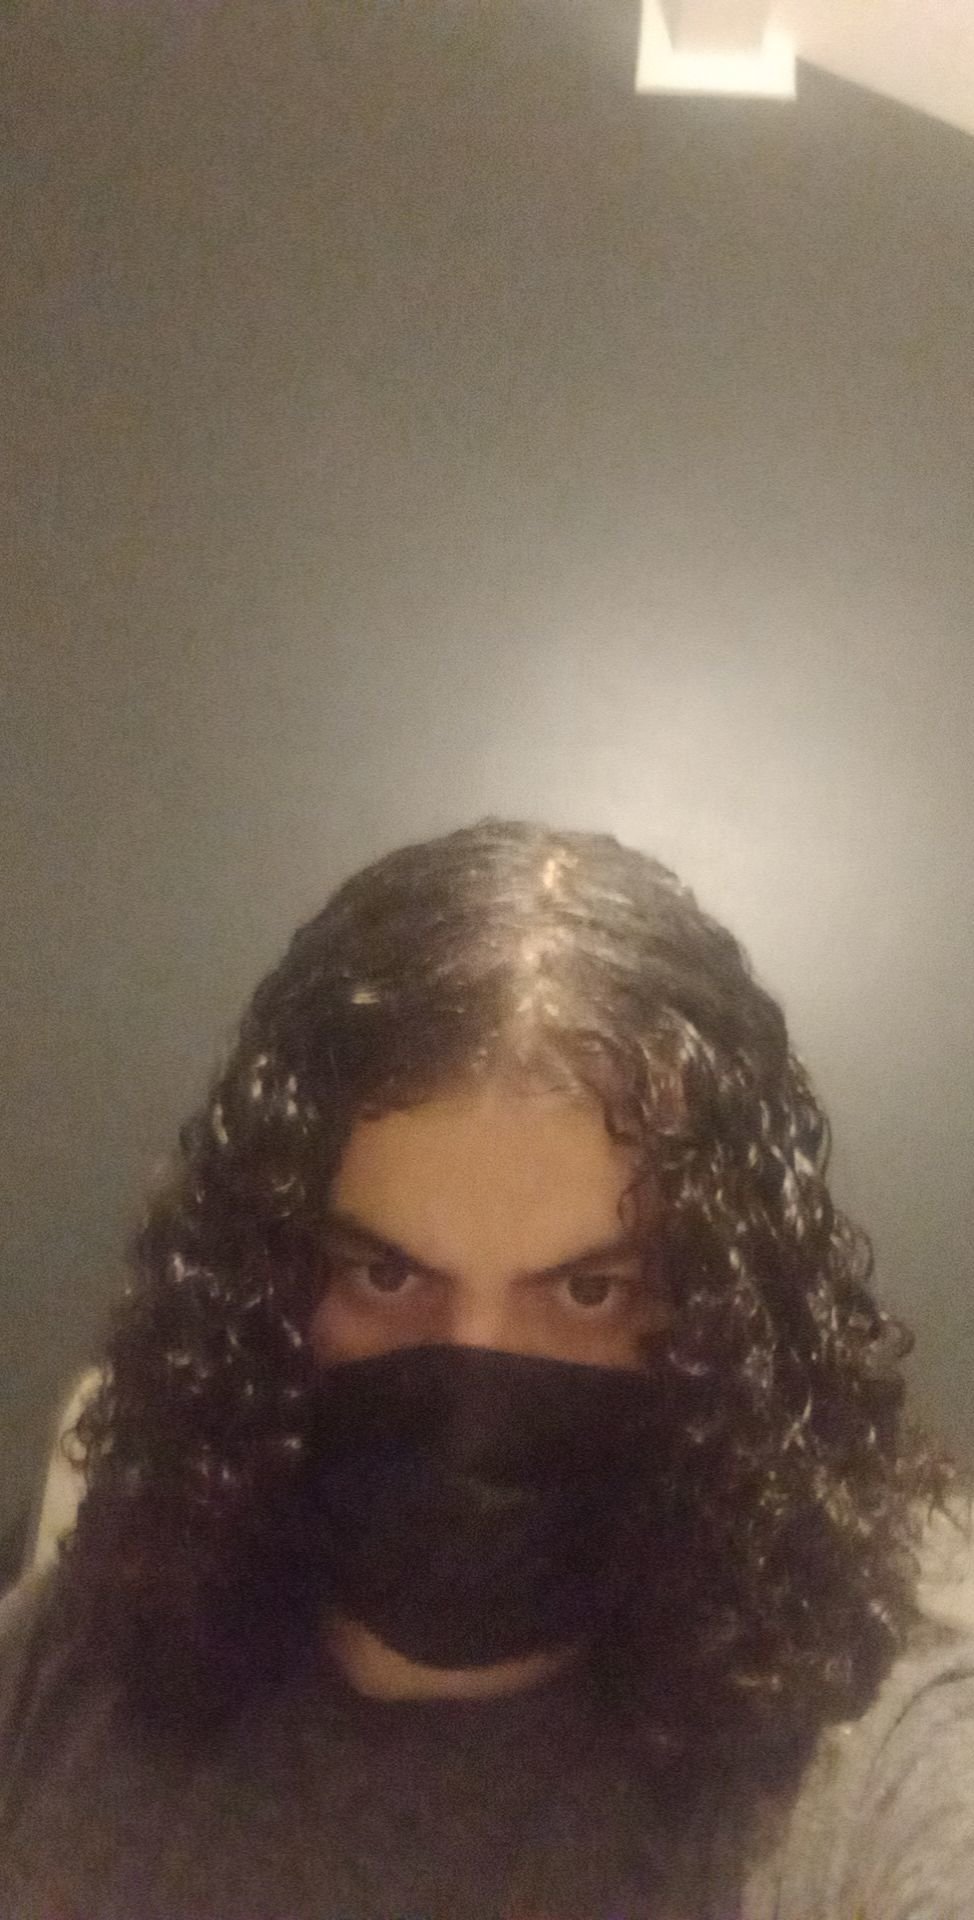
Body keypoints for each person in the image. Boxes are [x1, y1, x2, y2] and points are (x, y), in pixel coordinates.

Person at [1, 816, 972, 1920]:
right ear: (261, 1276)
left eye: (587, 1291)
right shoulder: (87, 1650)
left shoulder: (878, 1765)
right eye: (384, 1274)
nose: (476, 1389)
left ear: (726, 1313)